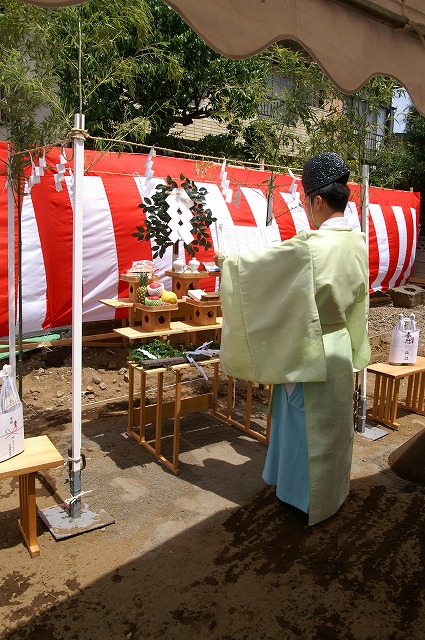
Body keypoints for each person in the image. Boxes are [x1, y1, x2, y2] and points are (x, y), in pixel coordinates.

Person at [215, 151, 370, 525]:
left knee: (304, 431)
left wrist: (227, 263)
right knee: (331, 432)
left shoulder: (310, 246)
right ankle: (333, 494)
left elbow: (259, 273)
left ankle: (301, 499)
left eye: (305, 202)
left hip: (308, 347)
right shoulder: (358, 241)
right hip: (338, 348)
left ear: (316, 199)